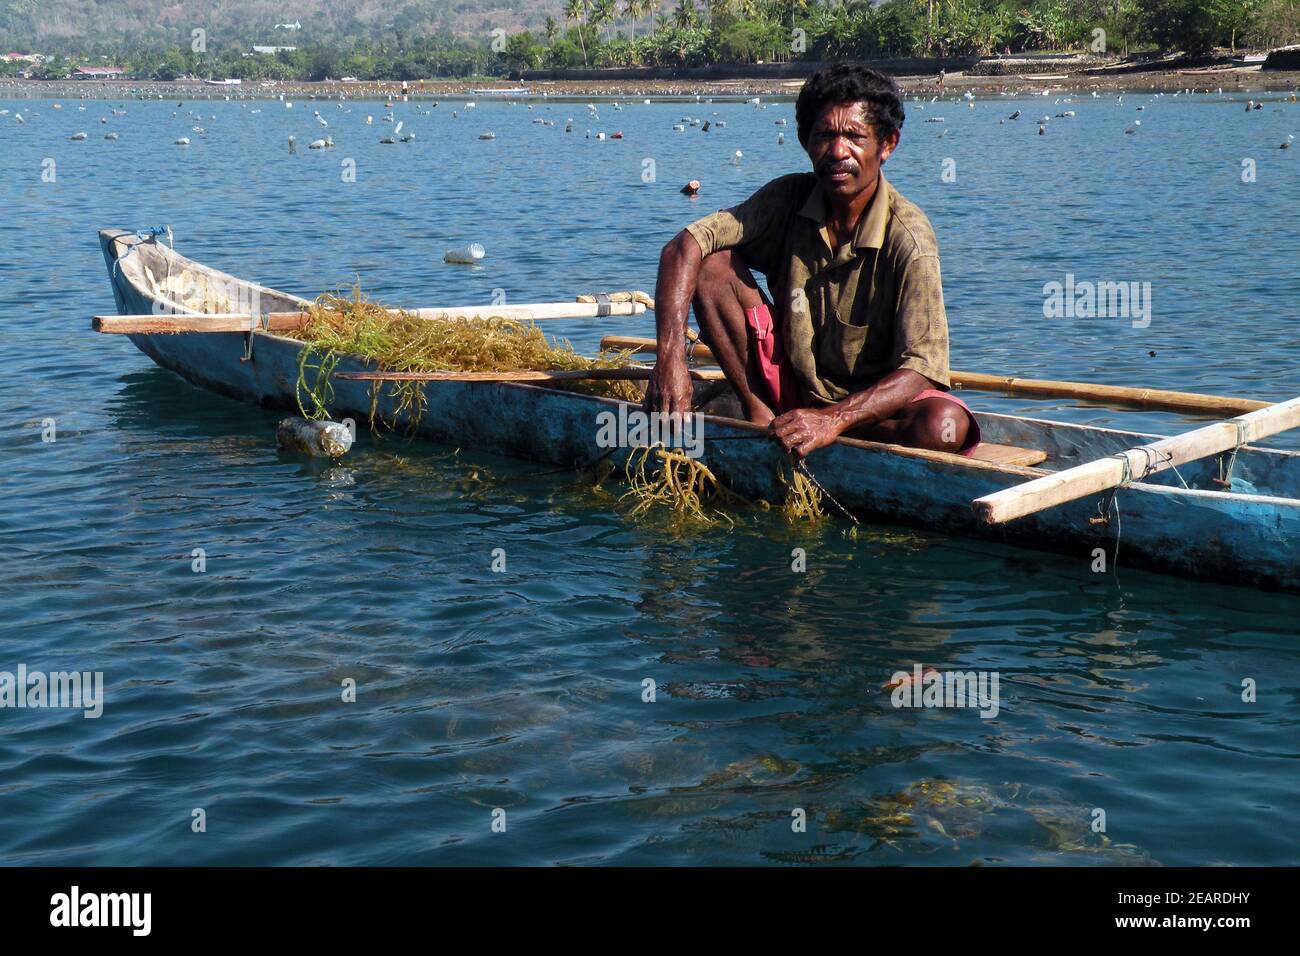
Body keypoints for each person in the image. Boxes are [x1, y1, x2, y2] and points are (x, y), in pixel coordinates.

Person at [645, 64, 979, 459]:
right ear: (806, 141)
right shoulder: (787, 199)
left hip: (870, 409)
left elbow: (922, 368)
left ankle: (825, 436)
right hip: (789, 385)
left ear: (887, 144)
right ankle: (758, 412)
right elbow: (682, 247)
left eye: (855, 136)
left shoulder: (909, 238)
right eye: (824, 136)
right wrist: (669, 362)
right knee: (712, 262)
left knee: (943, 426)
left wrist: (832, 420)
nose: (838, 151)